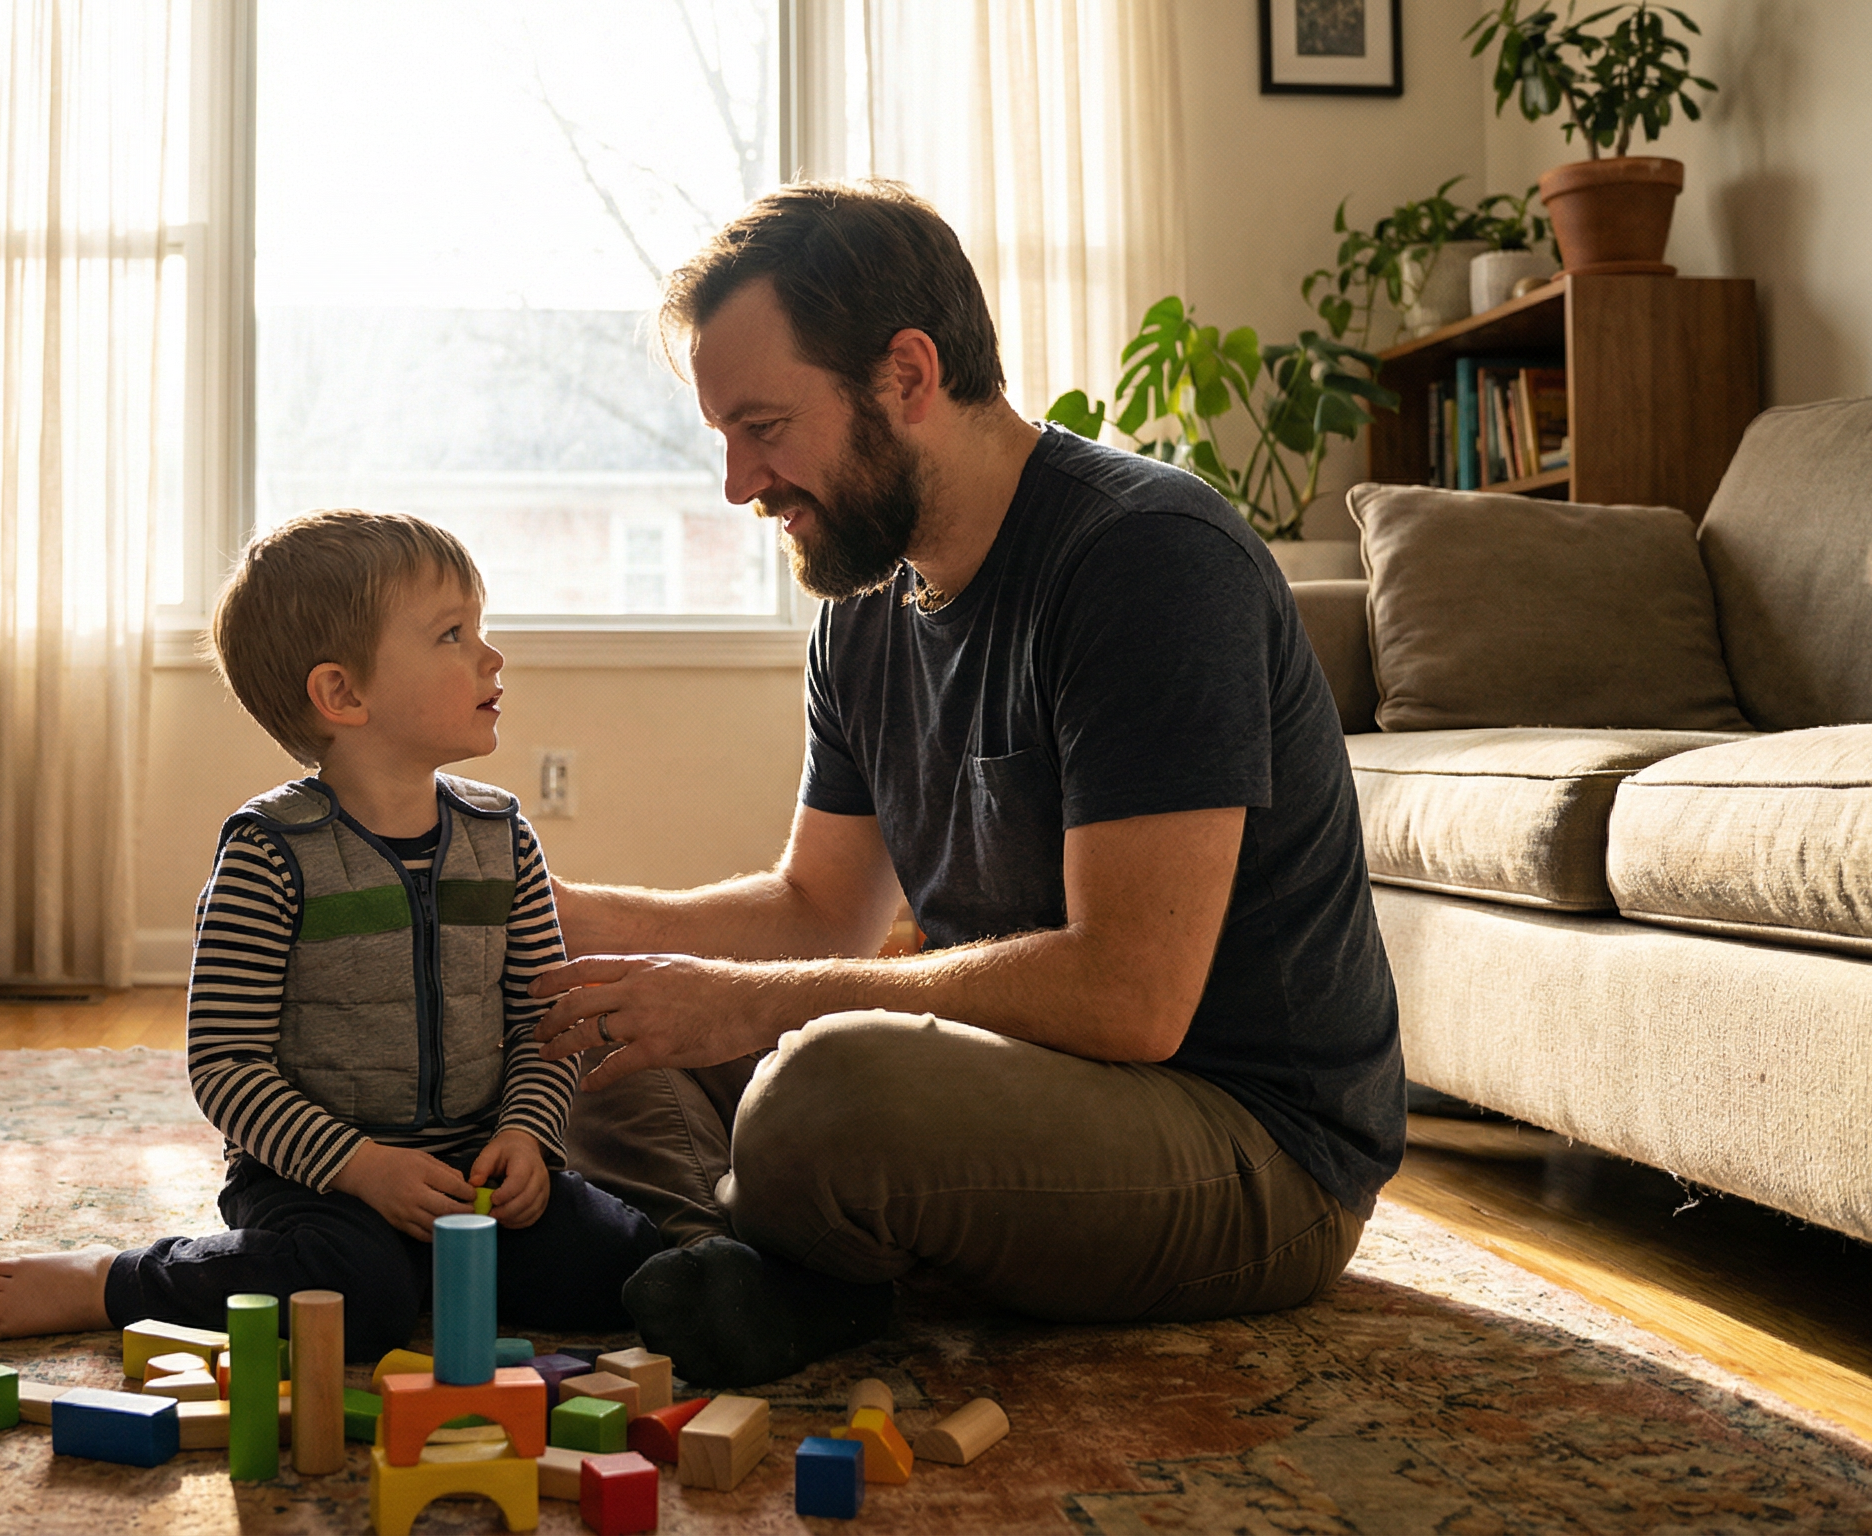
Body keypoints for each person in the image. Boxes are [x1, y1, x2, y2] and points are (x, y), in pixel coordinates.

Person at [536, 182, 1406, 1388]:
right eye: (725, 438)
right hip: (1023, 1085)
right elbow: (814, 908)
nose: (740, 485)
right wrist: (565, 923)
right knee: (594, 1028)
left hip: (1248, 1142)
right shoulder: (865, 609)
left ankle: (754, 1250)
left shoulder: (1146, 558)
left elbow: (1131, 997)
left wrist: (751, 1008)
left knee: (822, 1094)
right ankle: (722, 1267)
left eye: (765, 427)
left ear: (905, 374)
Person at [0, 511, 663, 1360]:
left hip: (477, 1168)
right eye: (451, 633)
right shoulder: (270, 853)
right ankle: (112, 1281)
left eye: (481, 627)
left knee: (623, 1266)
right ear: (343, 695)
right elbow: (226, 1067)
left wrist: (526, 1139)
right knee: (355, 1302)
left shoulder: (503, 837)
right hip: (318, 1181)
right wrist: (363, 1167)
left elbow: (543, 1029)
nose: (491, 655)